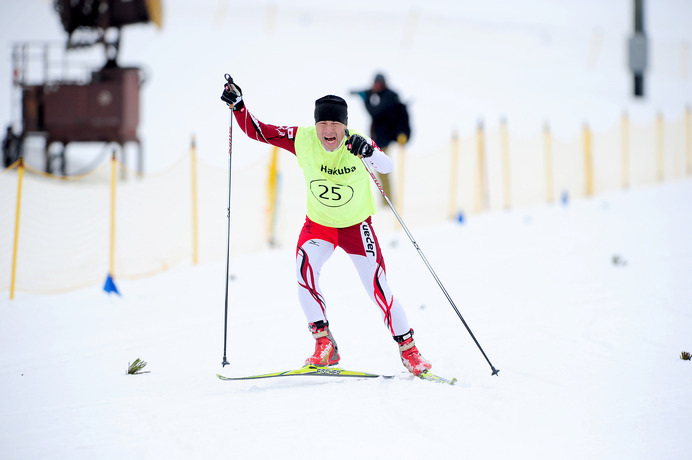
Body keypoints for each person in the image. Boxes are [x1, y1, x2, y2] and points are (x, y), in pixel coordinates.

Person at [220, 75, 432, 376]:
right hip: (318, 225)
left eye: (335, 124)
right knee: (304, 271)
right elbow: (259, 132)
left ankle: (409, 350)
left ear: (345, 126)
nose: (329, 130)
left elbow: (387, 166)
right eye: (323, 124)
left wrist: (369, 151)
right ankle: (324, 343)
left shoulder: (356, 142)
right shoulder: (303, 138)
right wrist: (239, 106)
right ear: (315, 124)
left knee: (378, 289)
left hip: (356, 228)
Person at [350, 73, 409, 200]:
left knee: (383, 170)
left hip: (383, 139)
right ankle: (386, 201)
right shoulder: (385, 95)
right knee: (380, 171)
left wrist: (365, 99)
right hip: (378, 138)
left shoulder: (389, 97)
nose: (376, 86)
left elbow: (375, 113)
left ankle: (387, 202)